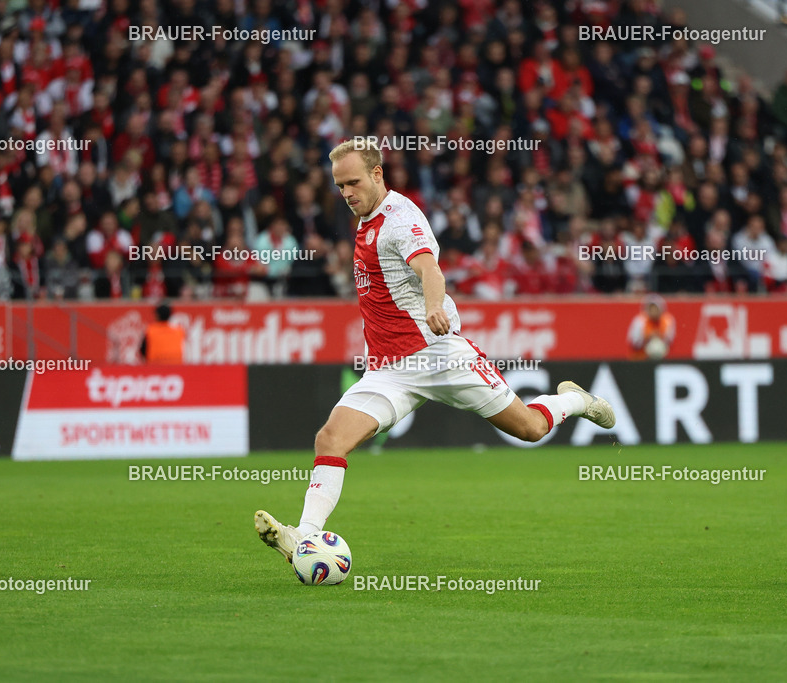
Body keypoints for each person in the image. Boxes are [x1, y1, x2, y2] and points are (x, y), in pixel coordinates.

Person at [255, 140, 616, 566]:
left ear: (377, 174)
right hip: (388, 369)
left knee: (530, 430)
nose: (347, 193)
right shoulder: (364, 218)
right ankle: (305, 538)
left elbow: (429, 267)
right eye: (339, 186)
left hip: (437, 355)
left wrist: (432, 305)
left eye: (353, 182)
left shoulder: (400, 218)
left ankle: (576, 400)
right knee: (329, 438)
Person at [627, 295, 675, 360]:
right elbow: (633, 342)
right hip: (640, 357)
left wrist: (659, 336)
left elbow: (670, 341)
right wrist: (647, 337)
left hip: (662, 357)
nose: (653, 311)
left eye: (655, 308)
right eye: (651, 308)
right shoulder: (640, 321)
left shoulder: (667, 320)